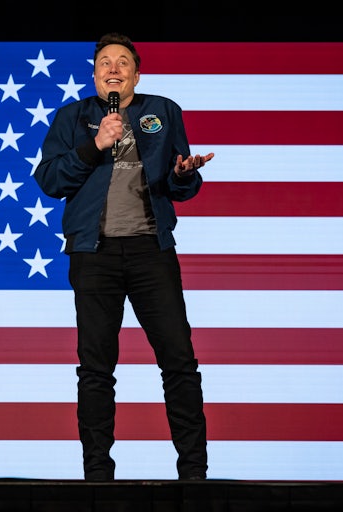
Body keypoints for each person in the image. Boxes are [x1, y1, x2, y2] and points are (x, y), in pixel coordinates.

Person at [34, 32, 214, 481]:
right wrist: (93, 146)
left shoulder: (164, 111)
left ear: (136, 74)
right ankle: (97, 477)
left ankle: (194, 475)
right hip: (93, 255)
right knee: (96, 369)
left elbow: (180, 185)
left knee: (179, 362)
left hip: (151, 252)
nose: (113, 69)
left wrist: (183, 174)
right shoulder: (72, 117)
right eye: (104, 63)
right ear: (95, 75)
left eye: (122, 62)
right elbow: (50, 180)